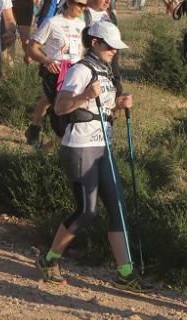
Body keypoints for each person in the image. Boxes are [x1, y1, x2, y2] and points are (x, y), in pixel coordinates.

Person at [36, 21, 151, 292]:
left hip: (103, 145)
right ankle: (49, 260)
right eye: (110, 46)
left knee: (117, 208)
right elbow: (61, 106)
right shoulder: (80, 69)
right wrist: (86, 94)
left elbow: (103, 109)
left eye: (115, 47)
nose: (114, 51)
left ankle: (126, 274)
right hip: (79, 146)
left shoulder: (106, 71)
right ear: (96, 43)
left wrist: (119, 105)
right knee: (86, 211)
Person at [24, 0, 89, 145]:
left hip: (75, 72)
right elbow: (33, 47)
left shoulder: (81, 25)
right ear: (68, 3)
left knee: (50, 101)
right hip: (55, 71)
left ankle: (36, 130)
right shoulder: (52, 22)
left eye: (84, 5)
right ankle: (52, 146)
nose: (82, 8)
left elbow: (83, 50)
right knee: (61, 109)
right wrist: (46, 61)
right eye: (79, 4)